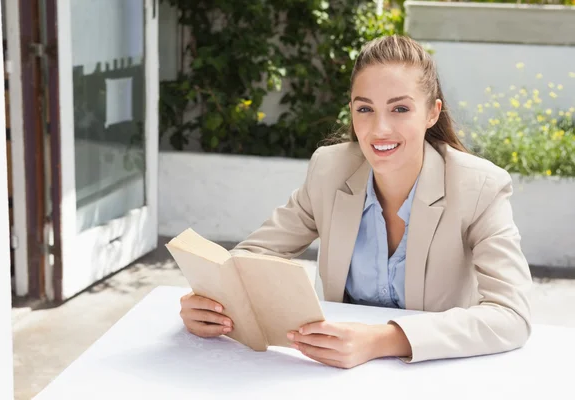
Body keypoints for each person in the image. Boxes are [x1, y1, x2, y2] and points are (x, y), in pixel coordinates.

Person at [179, 34, 532, 368]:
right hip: (332, 372)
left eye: (400, 109)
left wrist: (382, 340)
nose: (379, 129)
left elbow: (511, 315)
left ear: (432, 113)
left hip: (432, 373)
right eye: (365, 109)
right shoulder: (330, 169)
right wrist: (213, 304)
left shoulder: (481, 186)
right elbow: (250, 258)